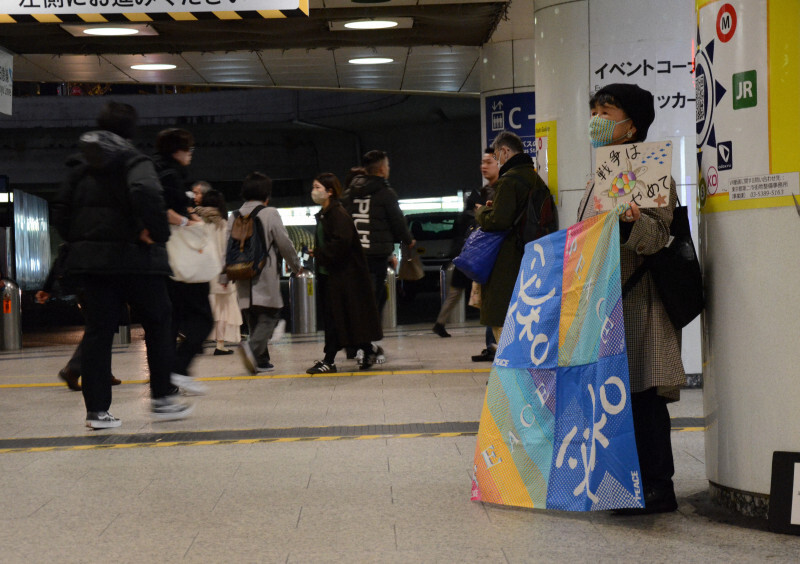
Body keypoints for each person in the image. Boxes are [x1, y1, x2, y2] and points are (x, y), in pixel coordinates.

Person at [51, 101, 193, 428]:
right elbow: (145, 191)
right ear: (131, 130)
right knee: (159, 322)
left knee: (99, 333)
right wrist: (154, 233)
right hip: (137, 260)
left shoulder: (78, 166)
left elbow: (61, 211)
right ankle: (161, 399)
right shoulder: (133, 160)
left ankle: (97, 412)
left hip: (94, 265)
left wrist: (82, 238)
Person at [578, 83, 684, 515]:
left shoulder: (653, 173)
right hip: (607, 304)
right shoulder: (597, 177)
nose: (598, 117)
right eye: (594, 109)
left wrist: (630, 224)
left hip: (641, 300)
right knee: (613, 396)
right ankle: (624, 482)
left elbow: (659, 235)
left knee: (644, 396)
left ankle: (658, 487)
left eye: (607, 109)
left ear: (632, 125)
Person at [341, 150, 415, 365]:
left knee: (357, 302)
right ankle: (366, 345)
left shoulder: (349, 193)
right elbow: (398, 222)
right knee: (374, 301)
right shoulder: (385, 193)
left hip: (351, 258)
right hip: (375, 258)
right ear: (382, 169)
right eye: (388, 166)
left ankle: (361, 344)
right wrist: (408, 240)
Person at [154, 128, 213, 396]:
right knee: (204, 318)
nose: (190, 154)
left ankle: (167, 381)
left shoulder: (157, 170)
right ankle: (178, 369)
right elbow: (162, 209)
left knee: (172, 321)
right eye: (188, 149)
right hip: (180, 257)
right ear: (176, 150)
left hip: (166, 259)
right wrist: (189, 221)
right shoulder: (170, 175)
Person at [305, 173, 384, 373]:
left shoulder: (337, 214)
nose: (314, 191)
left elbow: (341, 243)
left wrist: (321, 253)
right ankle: (368, 349)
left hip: (343, 277)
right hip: (331, 274)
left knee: (338, 318)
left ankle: (330, 360)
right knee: (340, 319)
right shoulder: (326, 213)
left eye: (317, 187)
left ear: (330, 191)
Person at [475, 131, 548, 344]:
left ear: (506, 151)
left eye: (497, 157)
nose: (497, 162)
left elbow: (499, 221)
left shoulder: (509, 180)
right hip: (531, 254)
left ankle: (505, 375)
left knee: (503, 321)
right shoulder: (533, 177)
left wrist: (481, 212)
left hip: (509, 258)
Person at [231, 172, 302, 374]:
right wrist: (296, 266)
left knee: (253, 315)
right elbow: (285, 243)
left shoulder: (234, 215)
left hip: (241, 274)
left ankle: (261, 361)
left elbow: (226, 248)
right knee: (270, 314)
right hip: (264, 273)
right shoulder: (269, 213)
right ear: (266, 194)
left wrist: (224, 276)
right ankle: (252, 350)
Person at [35, 243, 121, 390]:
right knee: (99, 329)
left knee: (103, 328)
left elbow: (58, 262)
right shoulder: (91, 231)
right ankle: (73, 369)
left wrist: (47, 288)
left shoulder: (76, 232)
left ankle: (104, 372)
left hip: (86, 285)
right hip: (95, 284)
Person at [195, 189, 242, 355]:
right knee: (223, 310)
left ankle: (197, 342)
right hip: (220, 275)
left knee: (205, 310)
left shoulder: (198, 222)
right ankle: (220, 345)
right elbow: (226, 252)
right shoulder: (223, 224)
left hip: (201, 275)